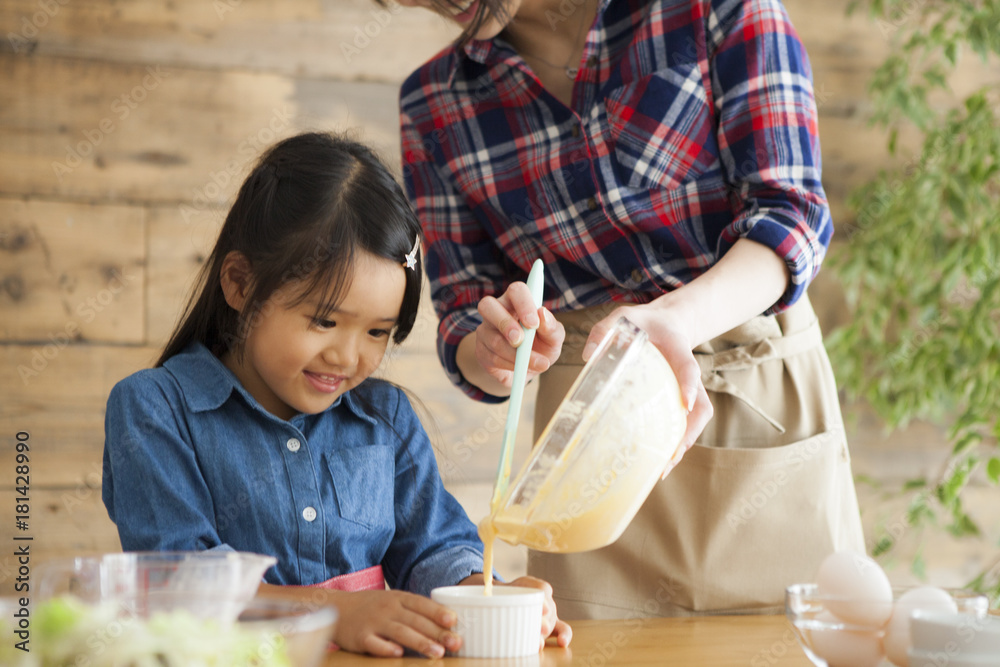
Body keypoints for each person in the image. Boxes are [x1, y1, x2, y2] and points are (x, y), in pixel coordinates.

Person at [388, 0, 866, 618]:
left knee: (793, 643)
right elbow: (461, 311)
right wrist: (494, 347)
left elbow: (790, 215)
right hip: (586, 445)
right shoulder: (433, 104)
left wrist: (677, 320)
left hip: (759, 398)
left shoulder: (712, 9)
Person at [101, 132, 572, 656]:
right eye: (324, 320)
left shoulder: (385, 418)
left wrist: (488, 601)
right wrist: (328, 614)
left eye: (377, 333)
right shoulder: (154, 409)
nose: (348, 358)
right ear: (239, 283)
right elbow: (179, 587)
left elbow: (433, 550)